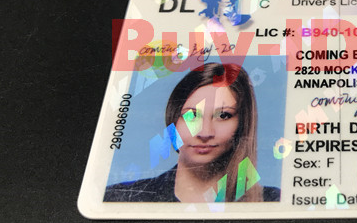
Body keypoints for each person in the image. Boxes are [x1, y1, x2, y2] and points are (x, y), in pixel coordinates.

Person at [105, 63, 280, 202]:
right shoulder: (119, 197)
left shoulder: (272, 200)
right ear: (173, 119)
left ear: (242, 123)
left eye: (223, 115)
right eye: (191, 115)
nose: (205, 132)